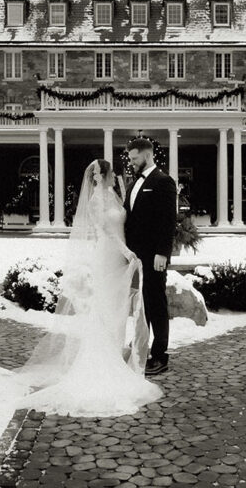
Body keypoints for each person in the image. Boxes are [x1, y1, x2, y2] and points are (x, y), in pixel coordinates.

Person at [15, 159, 162, 417]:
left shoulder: (112, 194)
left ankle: (115, 354)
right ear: (101, 175)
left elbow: (124, 218)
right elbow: (107, 231)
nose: (116, 174)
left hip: (120, 256)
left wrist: (122, 192)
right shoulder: (95, 199)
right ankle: (103, 360)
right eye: (112, 172)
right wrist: (127, 252)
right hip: (109, 255)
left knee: (118, 307)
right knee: (106, 307)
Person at [123, 137, 178, 376]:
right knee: (141, 304)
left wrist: (162, 253)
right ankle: (142, 347)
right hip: (135, 257)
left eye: (134, 158)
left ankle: (160, 356)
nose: (131, 162)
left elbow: (168, 221)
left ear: (146, 155)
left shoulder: (163, 181)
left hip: (154, 256)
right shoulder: (135, 181)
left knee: (156, 304)